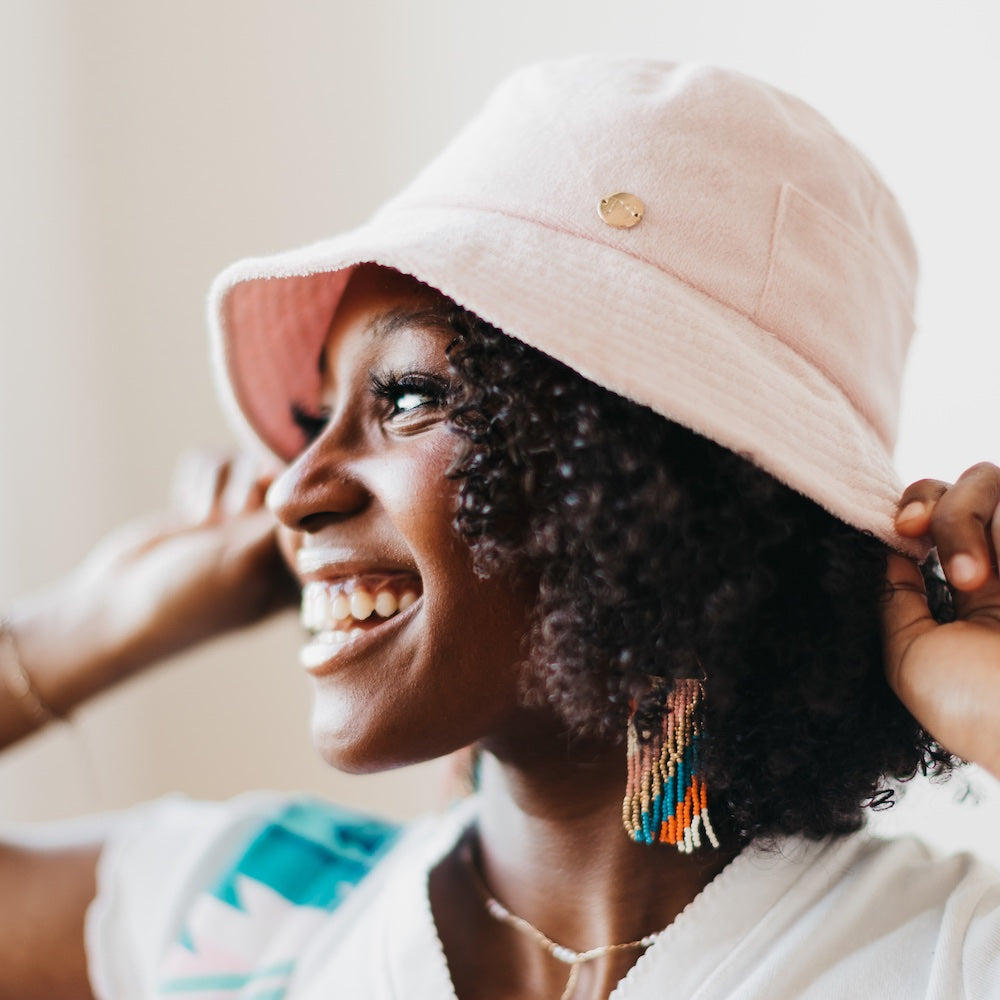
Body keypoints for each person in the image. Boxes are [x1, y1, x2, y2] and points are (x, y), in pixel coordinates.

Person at [1, 54, 999, 1000]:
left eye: (405, 397)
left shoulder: (945, 956)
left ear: (647, 487)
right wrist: (107, 615)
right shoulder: (241, 911)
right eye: (317, 419)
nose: (291, 489)